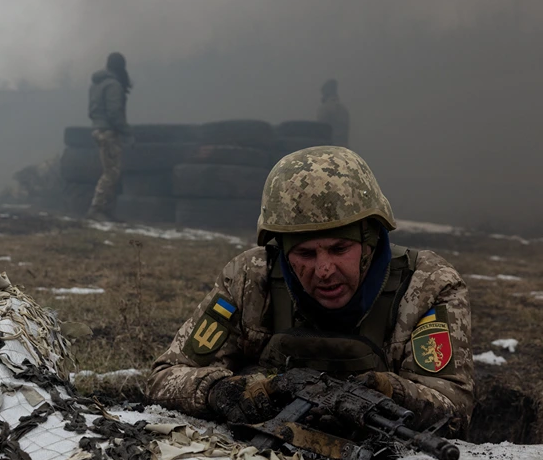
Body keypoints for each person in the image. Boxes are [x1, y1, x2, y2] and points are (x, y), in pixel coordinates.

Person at [147, 146, 474, 439]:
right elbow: (166, 377)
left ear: (371, 239)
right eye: (305, 254)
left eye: (339, 248)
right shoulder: (250, 279)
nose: (324, 270)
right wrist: (224, 392)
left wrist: (390, 393)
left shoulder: (425, 286)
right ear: (283, 249)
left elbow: (454, 409)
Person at [86, 52, 133, 221]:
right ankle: (97, 209)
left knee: (110, 171)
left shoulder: (96, 84)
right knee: (111, 173)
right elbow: (115, 113)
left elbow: (91, 111)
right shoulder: (113, 85)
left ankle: (106, 210)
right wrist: (127, 132)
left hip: (98, 130)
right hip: (109, 132)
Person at [317, 79, 350, 146]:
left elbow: (321, 131)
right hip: (343, 148)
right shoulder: (343, 109)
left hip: (329, 147)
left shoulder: (324, 108)